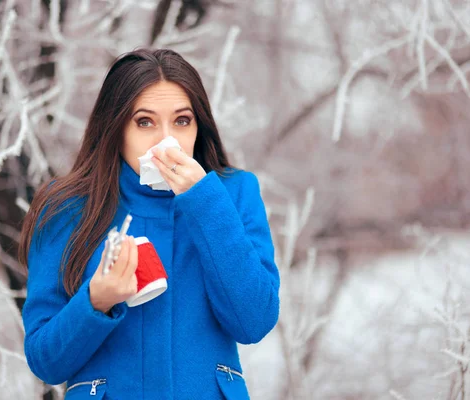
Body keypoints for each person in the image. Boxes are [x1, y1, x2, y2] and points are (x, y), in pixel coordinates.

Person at [18, 48, 280, 400]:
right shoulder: (65, 207)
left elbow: (254, 320)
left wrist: (205, 202)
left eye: (182, 120)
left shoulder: (232, 193)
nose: (165, 140)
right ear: (116, 127)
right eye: (145, 122)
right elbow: (45, 361)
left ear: (198, 126)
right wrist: (96, 301)